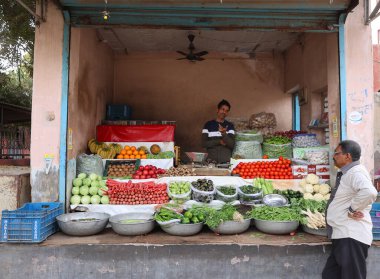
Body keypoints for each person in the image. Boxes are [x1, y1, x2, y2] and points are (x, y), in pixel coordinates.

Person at [322, 140, 378, 279]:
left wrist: (353, 209)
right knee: (330, 275)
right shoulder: (349, 173)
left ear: (347, 156)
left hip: (351, 237)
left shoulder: (356, 172)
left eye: (337, 153)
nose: (334, 156)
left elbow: (370, 192)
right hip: (342, 236)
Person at [201, 99, 235, 164]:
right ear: (218, 110)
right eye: (222, 109)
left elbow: (232, 145)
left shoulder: (230, 126)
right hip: (211, 162)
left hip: (226, 162)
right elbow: (204, 144)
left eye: (226, 111)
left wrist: (224, 134)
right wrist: (218, 142)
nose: (224, 112)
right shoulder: (208, 125)